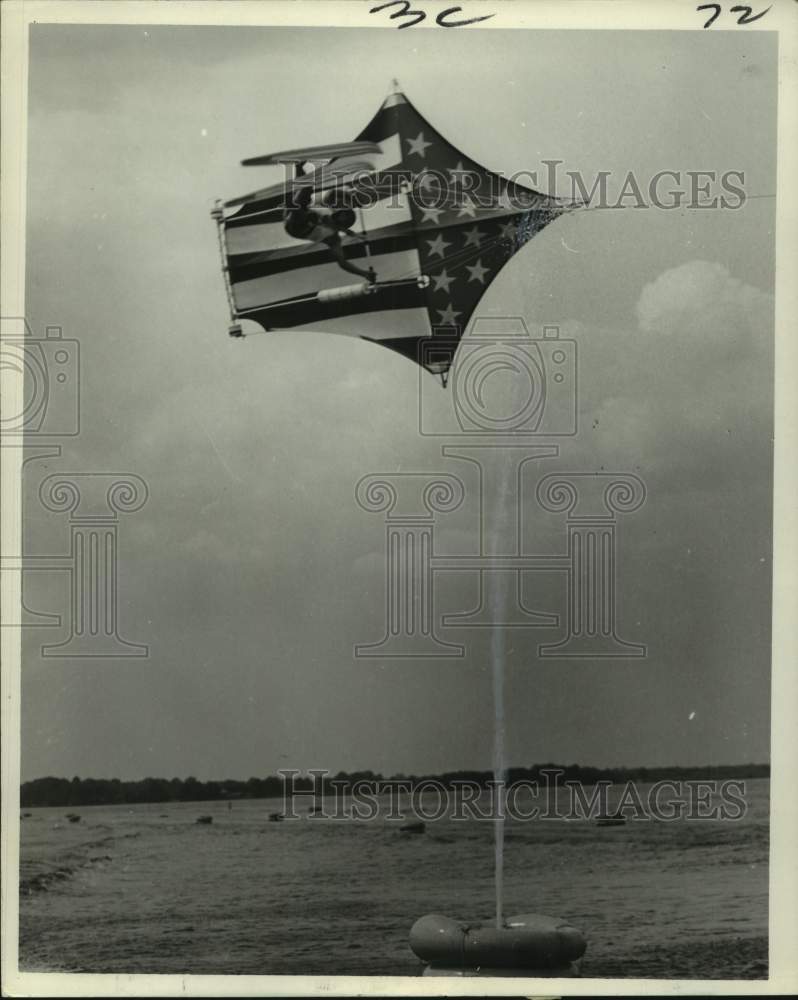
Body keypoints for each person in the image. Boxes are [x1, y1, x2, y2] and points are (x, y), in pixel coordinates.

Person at [283, 185, 376, 283]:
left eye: (340, 217)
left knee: (307, 213)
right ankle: (302, 179)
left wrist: (364, 274)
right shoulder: (329, 209)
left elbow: (343, 263)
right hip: (295, 214)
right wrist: (353, 199)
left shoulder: (334, 238)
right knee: (307, 193)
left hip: (297, 227)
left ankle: (292, 198)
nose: (337, 213)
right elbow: (332, 192)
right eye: (339, 213)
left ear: (342, 223)